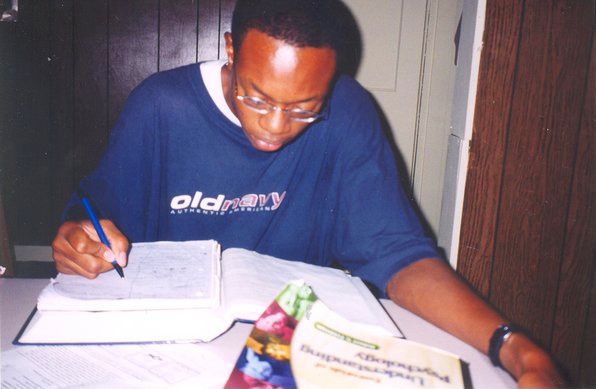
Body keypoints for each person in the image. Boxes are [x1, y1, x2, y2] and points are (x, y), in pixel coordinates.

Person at [51, 1, 564, 387]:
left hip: (294, 354)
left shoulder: (348, 113)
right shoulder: (160, 107)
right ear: (230, 49)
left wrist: (513, 348)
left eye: (304, 108)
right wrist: (78, 236)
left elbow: (401, 255)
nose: (274, 128)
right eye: (256, 96)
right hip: (172, 354)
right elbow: (97, 211)